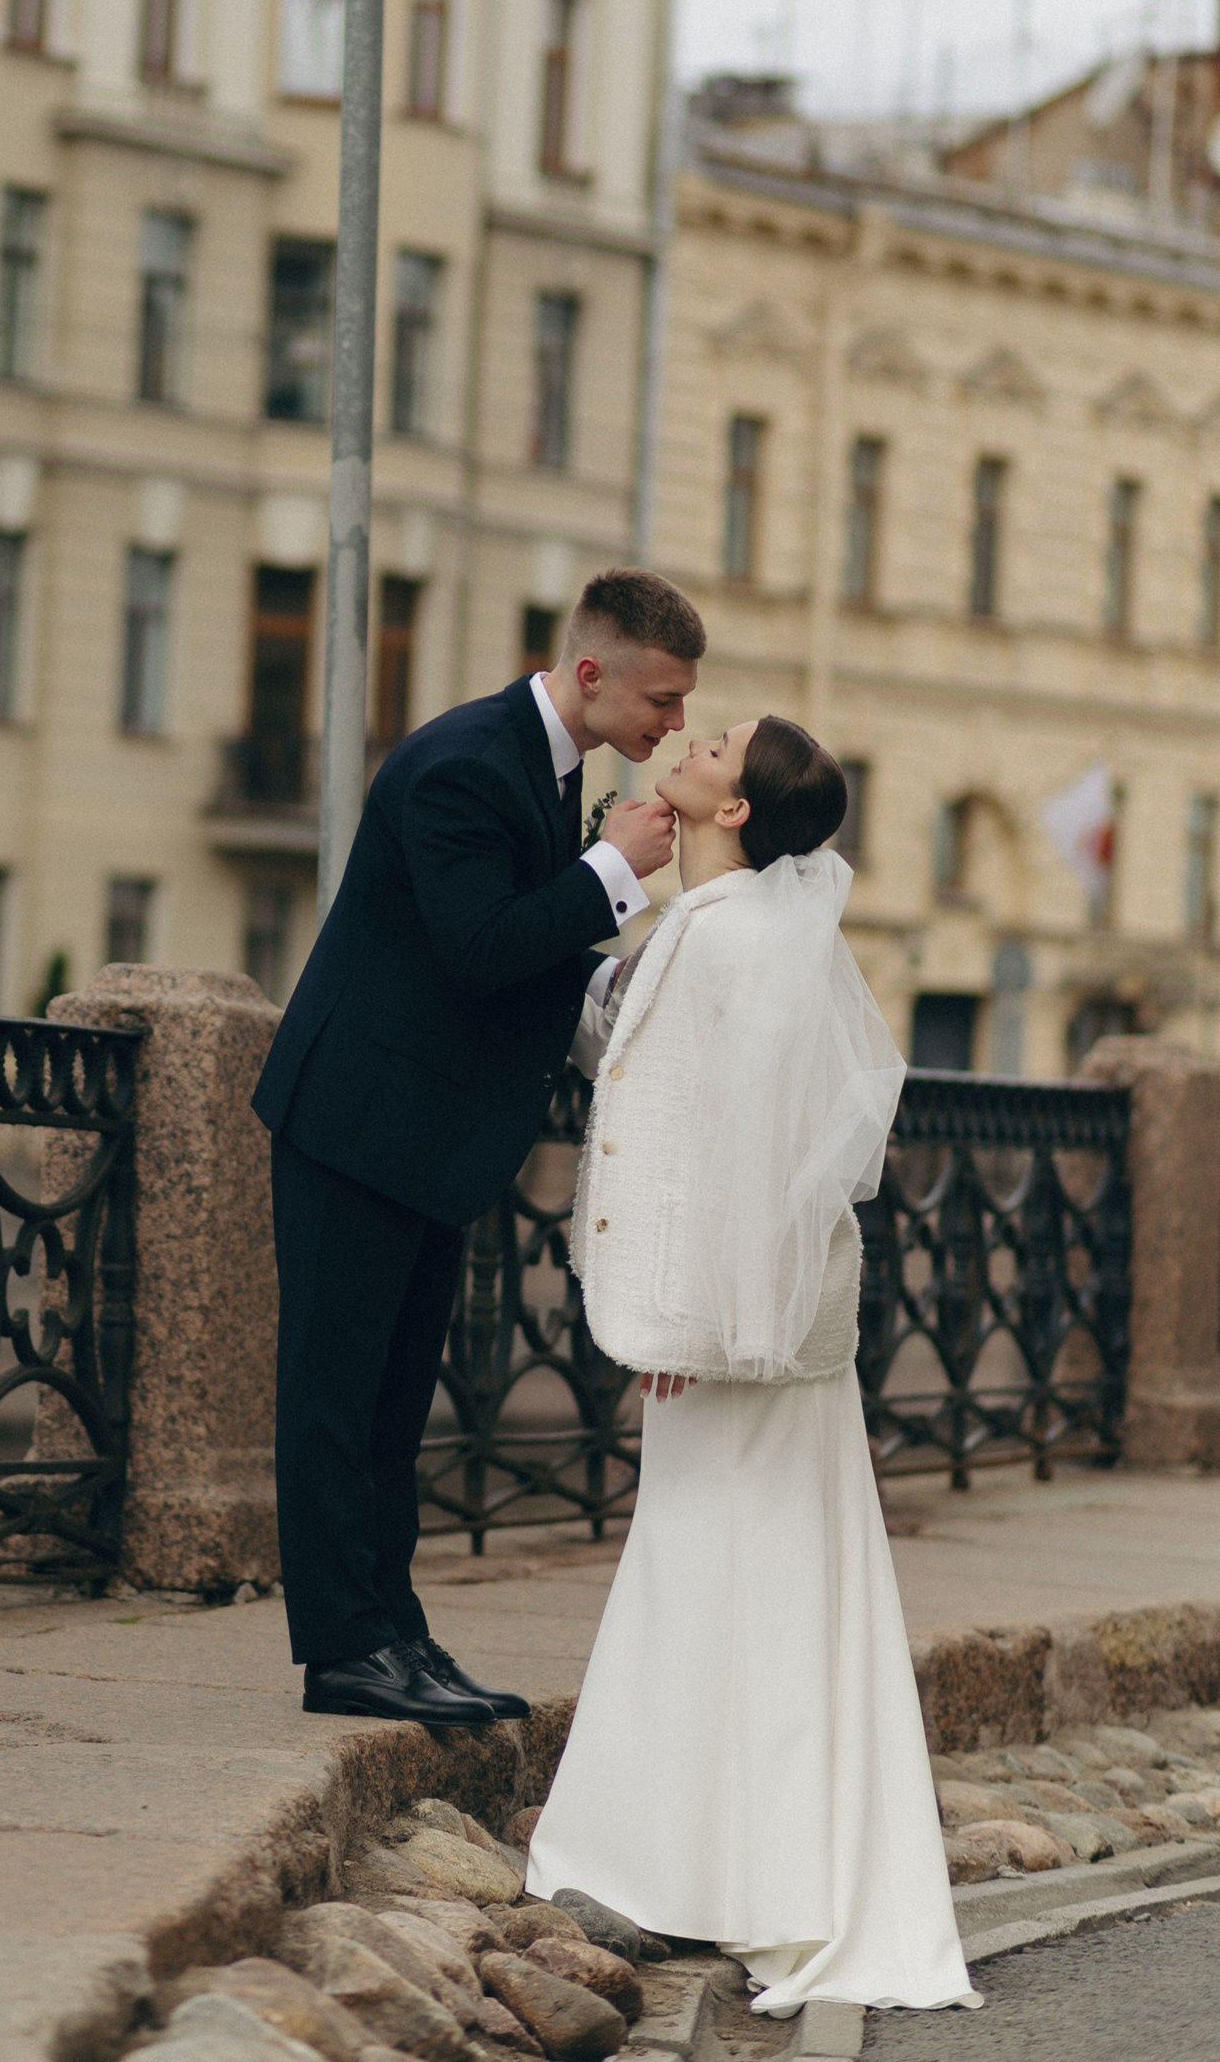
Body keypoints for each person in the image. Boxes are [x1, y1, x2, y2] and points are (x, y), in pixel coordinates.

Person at [527, 715, 979, 2017]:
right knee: (752, 1577)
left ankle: (681, 1862)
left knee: (712, 1568)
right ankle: (733, 1860)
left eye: (717, 746)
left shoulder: (735, 942)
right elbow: (650, 1078)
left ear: (732, 810)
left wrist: (701, 1325)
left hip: (733, 1339)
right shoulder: (729, 931)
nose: (690, 738)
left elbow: (749, 1152)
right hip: (752, 1335)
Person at [250, 568, 704, 1726]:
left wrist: (616, 981)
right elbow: (477, 946)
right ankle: (343, 1651)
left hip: (422, 1136)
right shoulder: (463, 761)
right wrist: (610, 870)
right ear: (590, 673)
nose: (674, 724)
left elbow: (519, 954)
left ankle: (393, 1632)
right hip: (355, 1122)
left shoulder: (547, 765)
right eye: (660, 698)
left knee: (394, 1404)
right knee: (334, 1399)